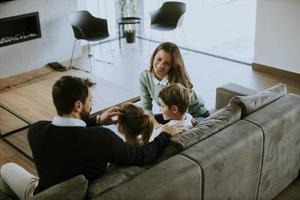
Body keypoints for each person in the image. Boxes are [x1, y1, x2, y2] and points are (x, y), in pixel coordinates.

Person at [0, 75, 182, 199]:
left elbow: (65, 133)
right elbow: (142, 156)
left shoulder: (36, 132)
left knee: (6, 168)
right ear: (78, 105)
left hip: (44, 193)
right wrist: (165, 134)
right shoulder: (101, 139)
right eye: (90, 100)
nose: (92, 103)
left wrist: (97, 120)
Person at [139, 42, 209, 125]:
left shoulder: (178, 83)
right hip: (172, 113)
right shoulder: (145, 76)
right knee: (144, 122)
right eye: (159, 59)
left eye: (167, 63)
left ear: (172, 66)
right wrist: (154, 123)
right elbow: (146, 107)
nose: (160, 65)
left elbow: (181, 118)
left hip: (196, 115)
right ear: (154, 56)